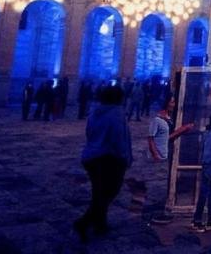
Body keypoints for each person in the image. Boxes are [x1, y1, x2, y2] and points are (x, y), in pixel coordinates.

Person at [73, 85, 132, 243]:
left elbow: (89, 133)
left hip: (91, 156)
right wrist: (125, 157)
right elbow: (119, 139)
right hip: (109, 159)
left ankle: (100, 224)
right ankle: (83, 222)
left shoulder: (94, 113)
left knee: (99, 193)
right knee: (110, 192)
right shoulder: (117, 114)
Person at [146, 95, 193, 224]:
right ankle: (154, 215)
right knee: (158, 186)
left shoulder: (169, 118)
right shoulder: (157, 120)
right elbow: (151, 138)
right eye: (172, 101)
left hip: (165, 153)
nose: (174, 103)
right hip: (159, 155)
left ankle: (160, 212)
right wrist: (155, 154)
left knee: (163, 185)